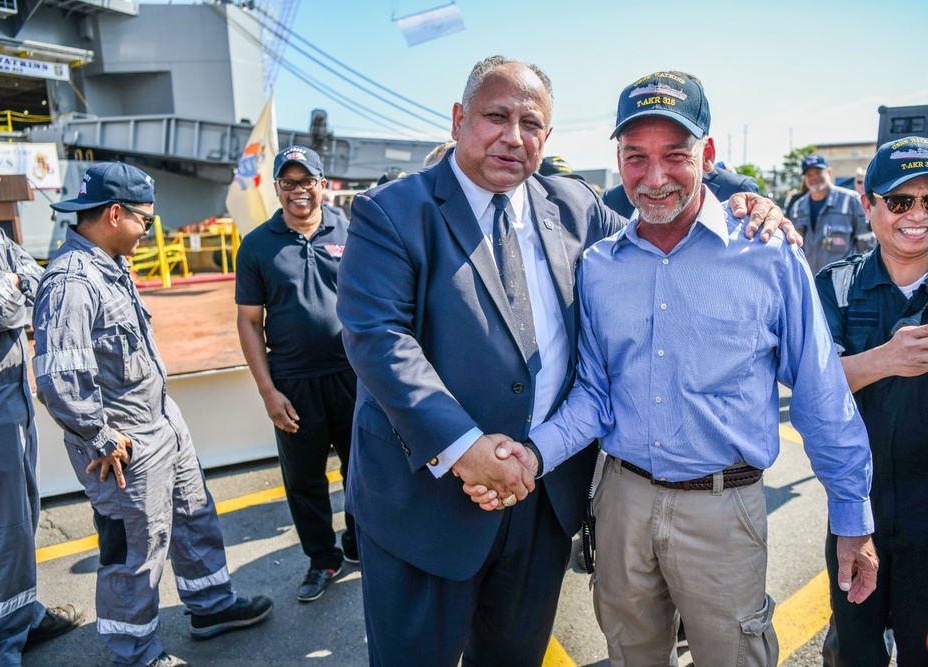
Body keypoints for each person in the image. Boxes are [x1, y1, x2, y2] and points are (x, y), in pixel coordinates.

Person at [336, 55, 797, 667]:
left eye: (531, 124)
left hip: (540, 499)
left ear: (547, 138)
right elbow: (378, 337)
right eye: (495, 117)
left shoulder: (575, 207)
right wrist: (465, 446)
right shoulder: (391, 212)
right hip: (428, 503)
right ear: (458, 120)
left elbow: (665, 216)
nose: (513, 136)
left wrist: (752, 205)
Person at [467, 71, 878, 667]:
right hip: (621, 504)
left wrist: (852, 516)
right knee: (632, 653)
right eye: (636, 158)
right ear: (618, 158)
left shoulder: (768, 253)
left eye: (675, 156)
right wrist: (529, 456)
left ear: (707, 155)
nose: (654, 178)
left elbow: (819, 393)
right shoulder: (600, 265)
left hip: (723, 508)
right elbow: (594, 396)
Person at [32, 161, 273, 667]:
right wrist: (100, 437)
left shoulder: (109, 266)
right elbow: (59, 379)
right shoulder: (73, 282)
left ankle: (211, 606)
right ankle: (134, 651)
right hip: (124, 443)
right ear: (115, 214)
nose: (147, 231)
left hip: (160, 420)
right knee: (136, 550)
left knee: (192, 513)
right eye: (144, 219)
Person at [815, 137, 928, 667]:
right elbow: (810, 389)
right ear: (869, 204)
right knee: (855, 651)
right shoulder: (836, 286)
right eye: (900, 200)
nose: (918, 214)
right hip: (856, 503)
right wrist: (886, 359)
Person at [235, 146, 359, 603]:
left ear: (323, 183)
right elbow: (249, 321)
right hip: (293, 384)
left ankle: (358, 543)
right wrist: (268, 392)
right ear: (277, 189)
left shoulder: (352, 230)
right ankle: (322, 559)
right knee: (304, 480)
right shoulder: (257, 244)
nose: (298, 191)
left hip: (353, 376)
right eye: (288, 183)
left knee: (361, 471)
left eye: (306, 181)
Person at [0, 132, 85, 665]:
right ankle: (0, 644)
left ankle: (21, 614)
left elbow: (37, 280)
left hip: (8, 400)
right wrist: (15, 286)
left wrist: (18, 283)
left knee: (22, 513)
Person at [789, 153, 871, 274]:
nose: (814, 178)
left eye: (818, 172)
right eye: (809, 174)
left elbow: (867, 247)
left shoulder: (850, 201)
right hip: (810, 284)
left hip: (842, 285)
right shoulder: (797, 208)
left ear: (829, 172)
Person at [602, 157, 759, 218]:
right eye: (637, 157)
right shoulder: (614, 198)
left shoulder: (738, 188)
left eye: (675, 155)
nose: (656, 181)